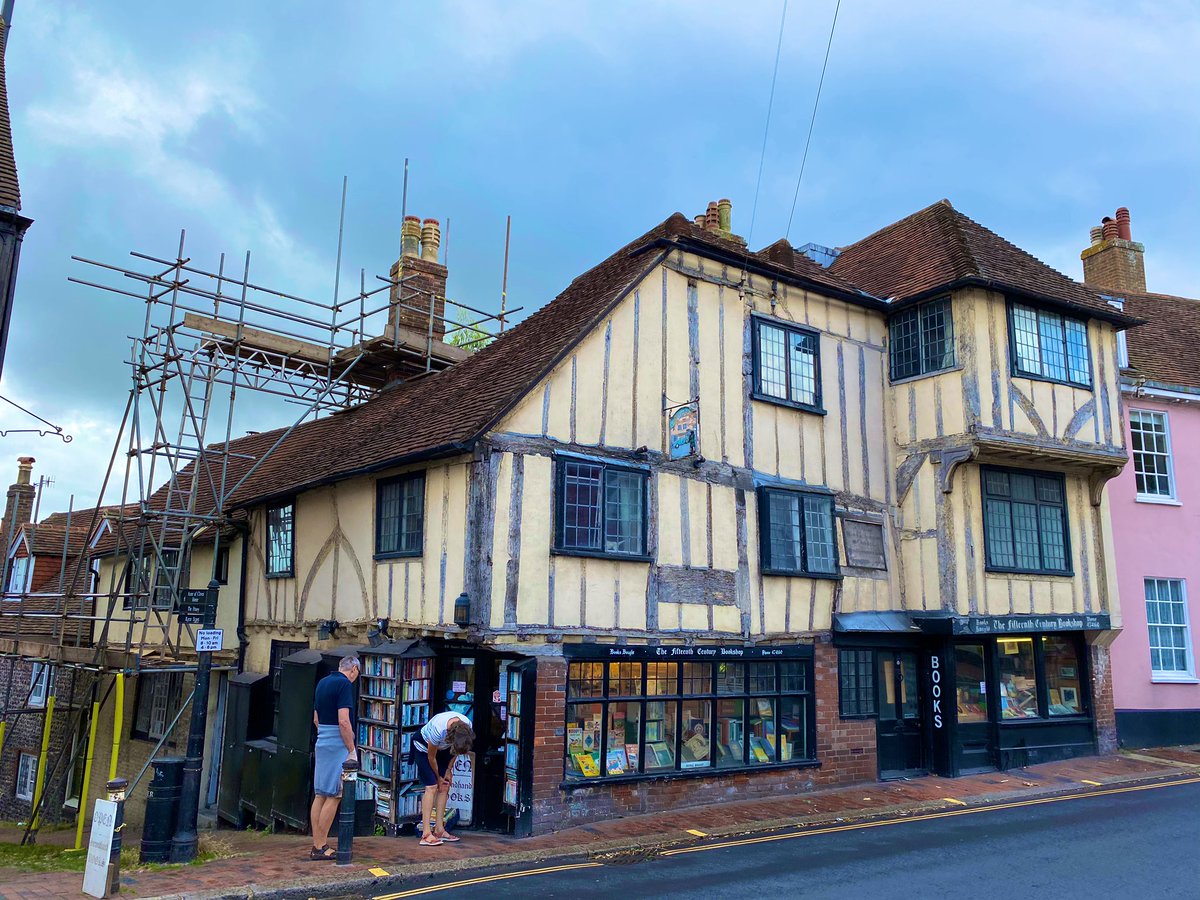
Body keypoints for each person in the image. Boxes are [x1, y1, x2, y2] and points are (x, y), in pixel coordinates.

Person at [308, 655, 359, 861]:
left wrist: (325, 735)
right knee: (335, 794)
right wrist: (351, 748)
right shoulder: (344, 685)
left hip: (322, 740)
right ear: (354, 669)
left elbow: (316, 718)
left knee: (320, 794)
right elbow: (344, 721)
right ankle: (320, 846)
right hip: (338, 743)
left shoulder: (322, 682)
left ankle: (317, 844)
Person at [410, 710, 475, 846]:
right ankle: (426, 834)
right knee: (432, 786)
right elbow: (431, 757)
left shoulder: (467, 727)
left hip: (444, 750)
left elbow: (456, 751)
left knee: (445, 785)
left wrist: (448, 771)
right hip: (424, 749)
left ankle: (440, 829)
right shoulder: (438, 729)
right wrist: (438, 776)